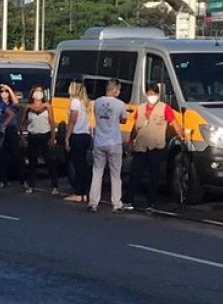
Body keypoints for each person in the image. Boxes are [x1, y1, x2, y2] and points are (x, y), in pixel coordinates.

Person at [128, 83, 185, 209]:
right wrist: (130, 141)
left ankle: (151, 202)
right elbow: (135, 126)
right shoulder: (141, 108)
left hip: (156, 146)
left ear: (158, 95)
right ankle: (129, 200)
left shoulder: (165, 108)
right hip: (141, 146)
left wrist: (181, 135)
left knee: (154, 176)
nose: (151, 96)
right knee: (135, 174)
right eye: (149, 94)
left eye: (154, 94)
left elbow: (173, 123)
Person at [88, 78, 130, 213]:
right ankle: (116, 203)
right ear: (114, 89)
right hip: (114, 142)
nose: (119, 91)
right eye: (119, 89)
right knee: (115, 175)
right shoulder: (120, 104)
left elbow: (97, 117)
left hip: (99, 141)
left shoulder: (97, 102)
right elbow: (123, 119)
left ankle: (93, 202)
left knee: (97, 172)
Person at [22, 85, 58, 194]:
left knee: (49, 160)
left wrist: (53, 137)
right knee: (32, 162)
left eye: (41, 91)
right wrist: (23, 135)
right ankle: (31, 185)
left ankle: (54, 185)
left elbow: (52, 122)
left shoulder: (47, 106)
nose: (39, 93)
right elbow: (23, 122)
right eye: (37, 91)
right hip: (33, 135)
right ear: (32, 94)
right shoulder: (28, 107)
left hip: (45, 135)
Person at [63, 79, 92, 203]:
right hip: (85, 135)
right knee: (83, 165)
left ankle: (79, 192)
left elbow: (72, 120)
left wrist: (67, 137)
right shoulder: (83, 102)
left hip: (77, 135)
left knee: (77, 165)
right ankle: (85, 192)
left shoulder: (74, 102)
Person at [0, 83, 22, 188]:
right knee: (1, 156)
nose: (4, 94)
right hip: (0, 130)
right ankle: (3, 180)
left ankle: (22, 180)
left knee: (16, 155)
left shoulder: (12, 105)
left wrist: (9, 88)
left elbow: (16, 102)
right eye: (2, 91)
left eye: (6, 92)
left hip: (11, 129)